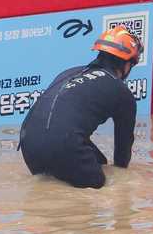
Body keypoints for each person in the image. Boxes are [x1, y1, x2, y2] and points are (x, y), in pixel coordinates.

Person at [18, 26, 143, 189]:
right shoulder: (121, 91)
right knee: (101, 187)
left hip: (29, 144)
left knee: (98, 163)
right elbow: (122, 151)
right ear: (127, 64)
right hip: (64, 144)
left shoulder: (69, 72)